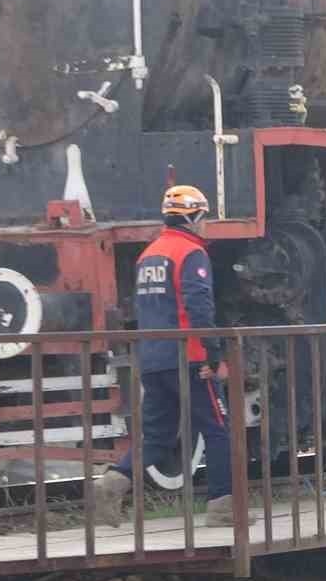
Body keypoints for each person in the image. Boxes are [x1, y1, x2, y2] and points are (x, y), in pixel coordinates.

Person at [96, 185, 238, 527]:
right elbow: (199, 306)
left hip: (154, 359)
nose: (205, 226)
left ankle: (112, 484)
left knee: (158, 437)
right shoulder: (191, 253)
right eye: (203, 218)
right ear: (192, 217)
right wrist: (213, 354)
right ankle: (222, 510)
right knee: (218, 430)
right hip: (190, 358)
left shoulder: (149, 255)